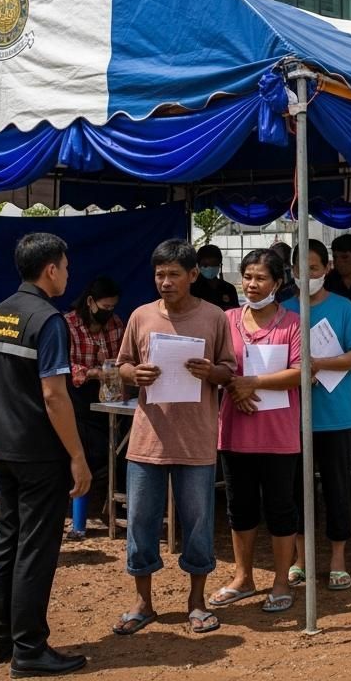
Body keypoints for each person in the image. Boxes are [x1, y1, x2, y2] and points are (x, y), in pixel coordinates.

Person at [0, 233, 90, 676]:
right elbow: (54, 395)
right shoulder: (48, 320)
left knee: (7, 540)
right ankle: (29, 649)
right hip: (38, 453)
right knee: (37, 548)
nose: (67, 273)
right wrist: (78, 457)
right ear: (51, 269)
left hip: (2, 446)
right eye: (65, 266)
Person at [115, 239, 235, 635]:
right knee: (141, 523)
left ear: (193, 275)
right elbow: (123, 366)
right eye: (159, 274)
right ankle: (143, 602)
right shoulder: (141, 316)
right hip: (148, 440)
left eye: (173, 274)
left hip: (197, 440)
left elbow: (228, 370)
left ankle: (196, 602)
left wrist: (210, 372)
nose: (165, 282)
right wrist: (136, 375)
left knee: (198, 524)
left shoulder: (215, 317)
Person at [211, 249, 302, 613]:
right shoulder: (226, 319)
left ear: (278, 283)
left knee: (281, 508)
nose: (252, 284)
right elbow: (217, 366)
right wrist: (235, 387)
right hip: (234, 432)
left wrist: (254, 383)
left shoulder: (293, 322)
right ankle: (243, 577)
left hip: (279, 434)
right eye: (247, 276)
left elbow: (300, 371)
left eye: (261, 277)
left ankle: (281, 581)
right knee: (240, 508)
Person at [282, 241, 351, 591]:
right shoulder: (283, 310)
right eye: (301, 269)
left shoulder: (344, 307)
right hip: (293, 418)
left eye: (314, 268)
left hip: (336, 416)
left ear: (326, 268)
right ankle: (301, 559)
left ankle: (336, 559)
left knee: (336, 490)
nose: (308, 275)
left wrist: (319, 365)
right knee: (296, 491)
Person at [65, 276, 124, 524]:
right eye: (105, 307)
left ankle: (117, 501)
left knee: (119, 448)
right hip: (77, 394)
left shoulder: (115, 324)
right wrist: (91, 372)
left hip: (110, 394)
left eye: (112, 308)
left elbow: (123, 357)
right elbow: (63, 365)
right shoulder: (68, 325)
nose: (108, 313)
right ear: (90, 302)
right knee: (88, 447)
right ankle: (77, 504)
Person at [191, 244, 239, 311]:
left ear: (220, 265)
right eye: (205, 265)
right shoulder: (191, 288)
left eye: (214, 264)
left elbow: (235, 313)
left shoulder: (229, 288)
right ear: (198, 265)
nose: (210, 268)